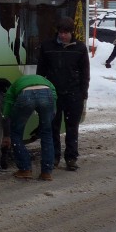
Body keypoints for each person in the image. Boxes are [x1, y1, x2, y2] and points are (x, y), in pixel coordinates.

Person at [37, 18, 89, 171]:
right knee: (53, 126)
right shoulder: (47, 47)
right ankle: (54, 157)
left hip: (74, 94)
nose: (63, 36)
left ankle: (71, 158)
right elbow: (41, 70)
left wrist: (83, 93)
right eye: (61, 32)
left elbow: (85, 73)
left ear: (71, 32)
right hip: (53, 94)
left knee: (72, 127)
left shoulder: (80, 48)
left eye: (66, 33)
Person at [3, 73, 57, 181]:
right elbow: (54, 96)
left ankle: (25, 169)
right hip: (46, 93)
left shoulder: (14, 86)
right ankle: (46, 172)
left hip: (25, 95)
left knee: (16, 133)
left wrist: (6, 133)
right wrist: (45, 124)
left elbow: (7, 109)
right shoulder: (46, 82)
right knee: (47, 134)